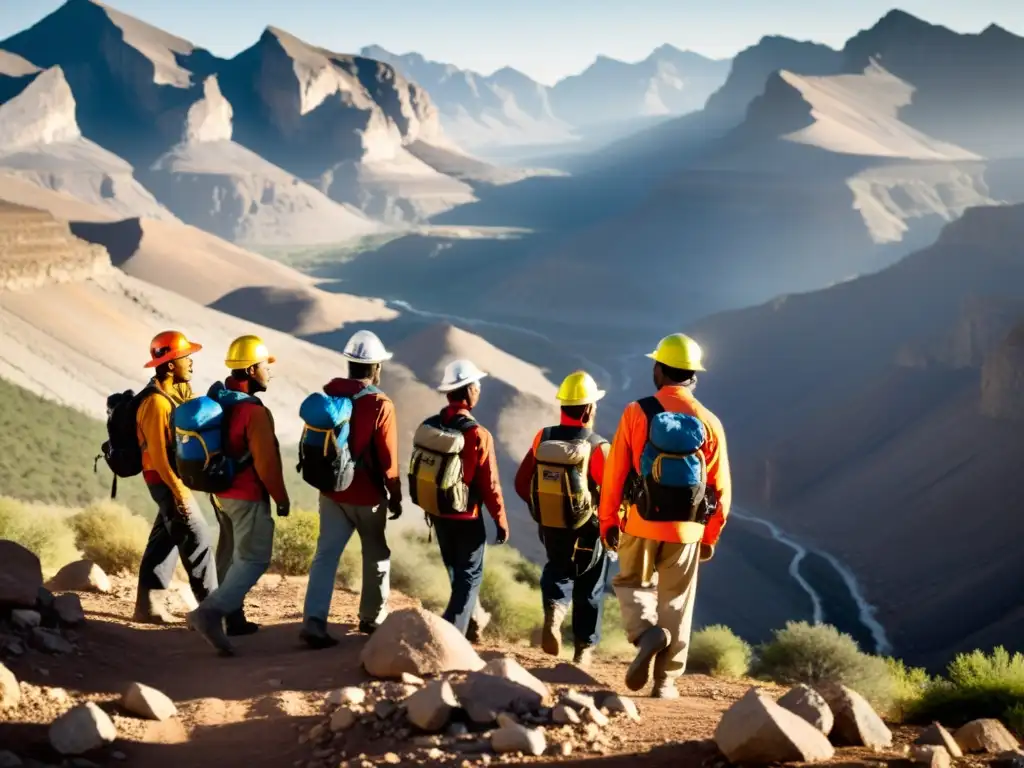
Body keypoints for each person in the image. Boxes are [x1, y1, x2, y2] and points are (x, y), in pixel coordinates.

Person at [599, 333, 731, 699]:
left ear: (659, 370)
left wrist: (608, 519)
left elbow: (615, 473)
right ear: (694, 376)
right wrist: (709, 535)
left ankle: (645, 634)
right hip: (687, 529)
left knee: (631, 583)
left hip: (640, 521)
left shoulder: (635, 412)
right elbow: (721, 490)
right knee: (677, 601)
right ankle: (665, 683)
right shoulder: (709, 421)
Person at [188, 335, 290, 655]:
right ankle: (209, 614)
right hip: (245, 494)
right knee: (254, 558)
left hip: (219, 491)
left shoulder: (217, 396)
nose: (268, 372)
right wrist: (281, 497)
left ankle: (232, 616)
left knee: (229, 552)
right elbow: (266, 462)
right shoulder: (253, 412)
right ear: (249, 370)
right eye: (263, 366)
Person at [300, 330, 402, 649]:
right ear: (376, 368)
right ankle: (372, 618)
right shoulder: (379, 403)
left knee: (326, 555)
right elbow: (388, 458)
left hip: (332, 492)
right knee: (376, 553)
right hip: (367, 495)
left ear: (349, 365)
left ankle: (314, 620)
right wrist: (395, 493)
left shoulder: (330, 395)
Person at [514, 371, 610, 669]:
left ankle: (554, 612)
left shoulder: (543, 438)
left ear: (563, 407)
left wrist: (544, 510)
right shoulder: (597, 447)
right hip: (588, 532)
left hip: (552, 527)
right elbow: (611, 496)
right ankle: (583, 650)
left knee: (558, 569)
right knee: (590, 587)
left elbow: (521, 482)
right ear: (588, 409)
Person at [414, 359, 509, 636]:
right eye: (476, 386)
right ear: (468, 392)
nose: (479, 390)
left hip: (437, 509)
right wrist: (501, 520)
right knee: (470, 574)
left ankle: (473, 622)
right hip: (467, 515)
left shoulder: (431, 425)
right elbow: (489, 483)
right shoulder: (477, 434)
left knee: (456, 569)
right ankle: (450, 631)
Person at [134, 330, 217, 624]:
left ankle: (148, 606)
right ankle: (212, 614)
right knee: (198, 538)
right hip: (164, 479)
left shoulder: (170, 393)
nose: (192, 363)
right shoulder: (155, 404)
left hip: (168, 479)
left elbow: (189, 400)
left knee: (167, 538)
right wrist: (179, 493)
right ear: (170, 365)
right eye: (186, 358)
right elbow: (157, 454)